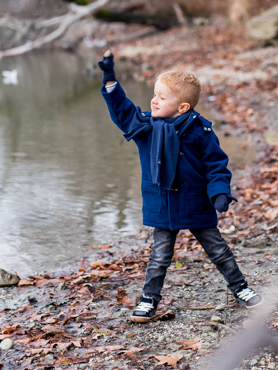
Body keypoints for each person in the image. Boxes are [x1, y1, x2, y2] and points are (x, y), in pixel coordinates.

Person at [98, 51, 262, 322]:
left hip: (196, 200)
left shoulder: (202, 131)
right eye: (154, 94)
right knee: (160, 255)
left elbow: (216, 165)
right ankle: (149, 299)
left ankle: (240, 288)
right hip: (162, 202)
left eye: (162, 97)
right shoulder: (146, 127)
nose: (154, 100)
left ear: (183, 107)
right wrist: (111, 82)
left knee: (218, 250)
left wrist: (219, 191)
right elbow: (122, 111)